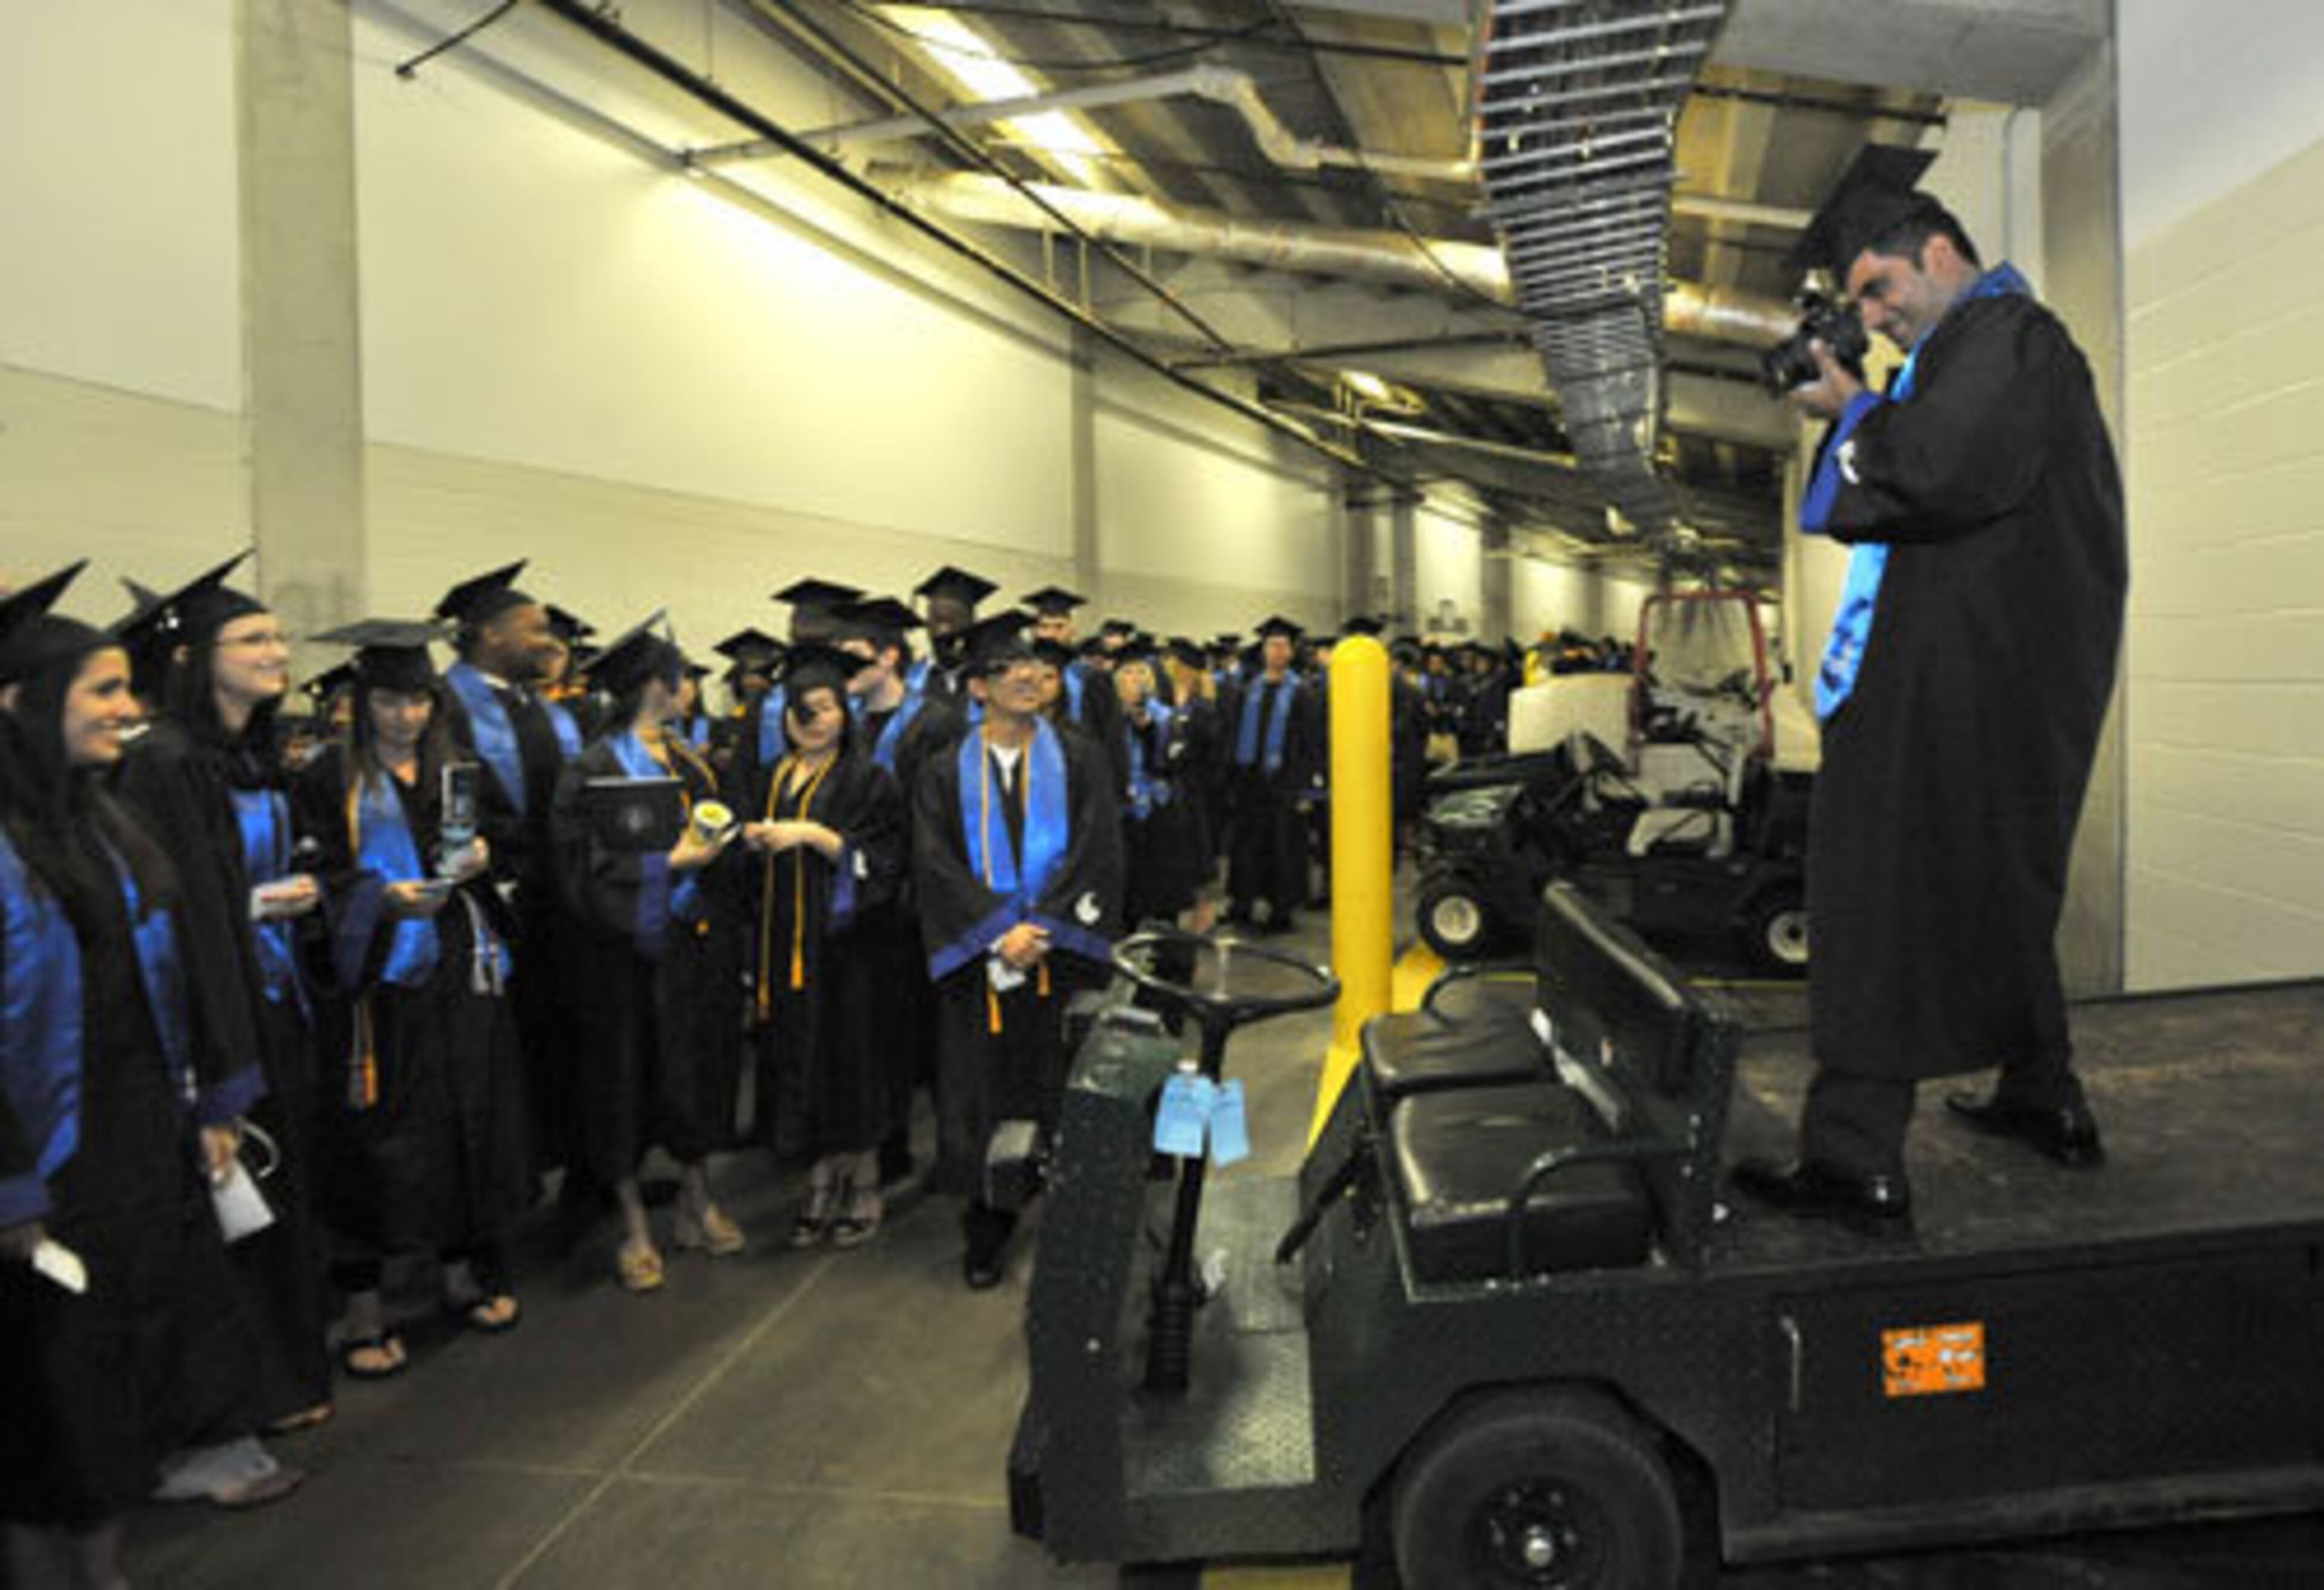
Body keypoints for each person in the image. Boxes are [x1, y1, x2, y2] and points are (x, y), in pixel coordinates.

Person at [1730, 149, 2127, 1230]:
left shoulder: (2009, 337)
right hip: (1998, 676)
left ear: (1942, 253)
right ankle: (2045, 1094)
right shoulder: (1986, 351)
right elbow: (1925, 476)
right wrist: (1857, 409)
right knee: (1997, 881)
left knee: (1876, 893)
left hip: (1962, 678)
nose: (1874, 316)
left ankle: (1854, 1158)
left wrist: (1854, 405)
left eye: (1880, 288)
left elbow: (1937, 473)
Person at [1, 565, 299, 1588]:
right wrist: (12, 1189)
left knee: (115, 1378)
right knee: (48, 1402)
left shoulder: (97, 818)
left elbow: (162, 970)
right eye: (102, 690)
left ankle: (107, 1567)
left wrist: (209, 1101)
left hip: (132, 1142)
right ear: (21, 702)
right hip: (40, 1161)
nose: (127, 707)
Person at [113, 554, 336, 1436]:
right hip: (218, 1007)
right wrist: (244, 908)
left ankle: (291, 1367)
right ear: (196, 658)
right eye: (251, 639)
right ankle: (252, 1389)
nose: (275, 650)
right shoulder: (164, 761)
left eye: (277, 635)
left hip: (275, 992)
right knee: (240, 1202)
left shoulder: (250, 756)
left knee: (284, 1188)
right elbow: (169, 904)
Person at [295, 620, 529, 1377]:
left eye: (419, 700)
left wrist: (488, 853)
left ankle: (460, 1269)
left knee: (465, 1114)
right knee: (375, 1132)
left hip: (459, 967)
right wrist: (375, 899)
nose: (407, 716)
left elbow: (514, 840)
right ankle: (364, 1303)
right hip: (375, 977)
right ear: (363, 703)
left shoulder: (461, 769)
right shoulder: (327, 778)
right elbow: (314, 876)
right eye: (390, 701)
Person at [914, 612, 1123, 1289]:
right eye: (1008, 668)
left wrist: (1044, 927)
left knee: (1063, 1084)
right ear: (978, 687)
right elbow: (935, 864)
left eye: (1033, 664)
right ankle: (988, 1221)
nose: (1029, 676)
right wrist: (998, 931)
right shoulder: (943, 771)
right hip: (986, 965)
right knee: (984, 1093)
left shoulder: (1080, 757)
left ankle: (1074, 1218)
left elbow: (1098, 848)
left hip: (1060, 957)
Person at [551, 614, 747, 1290]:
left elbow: (718, 838)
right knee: (622, 1082)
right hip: (619, 958)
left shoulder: (689, 760)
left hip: (690, 950)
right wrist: (670, 863)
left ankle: (697, 1196)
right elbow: (579, 867)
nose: (689, 687)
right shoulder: (591, 768)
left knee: (694, 1073)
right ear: (656, 687)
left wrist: (722, 847)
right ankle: (633, 1223)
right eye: (681, 676)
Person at [739, 644, 909, 1249]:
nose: (811, 720)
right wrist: (750, 839)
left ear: (845, 713)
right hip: (784, 947)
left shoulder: (869, 778)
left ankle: (863, 1183)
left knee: (851, 1063)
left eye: (825, 707)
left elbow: (886, 863)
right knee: (801, 1063)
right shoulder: (771, 777)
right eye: (800, 709)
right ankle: (818, 1181)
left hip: (848, 950)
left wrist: (814, 834)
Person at [432, 562, 587, 1216]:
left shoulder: (538, 706)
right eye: (536, 629)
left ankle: (569, 1168)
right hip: (491, 906)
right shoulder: (445, 705)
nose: (549, 641)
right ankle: (505, 1187)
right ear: (491, 635)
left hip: (558, 905)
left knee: (560, 1037)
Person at [1223, 616, 1316, 934]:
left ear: (1291, 652)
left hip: (1284, 784)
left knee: (1282, 848)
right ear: (1263, 651)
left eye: (1282, 645)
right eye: (1271, 645)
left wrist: (1304, 789)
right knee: (1245, 846)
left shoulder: (1302, 693)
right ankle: (1242, 904)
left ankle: (1281, 911)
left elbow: (1310, 744)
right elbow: (1234, 733)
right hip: (1250, 781)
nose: (1277, 651)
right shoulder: (1248, 689)